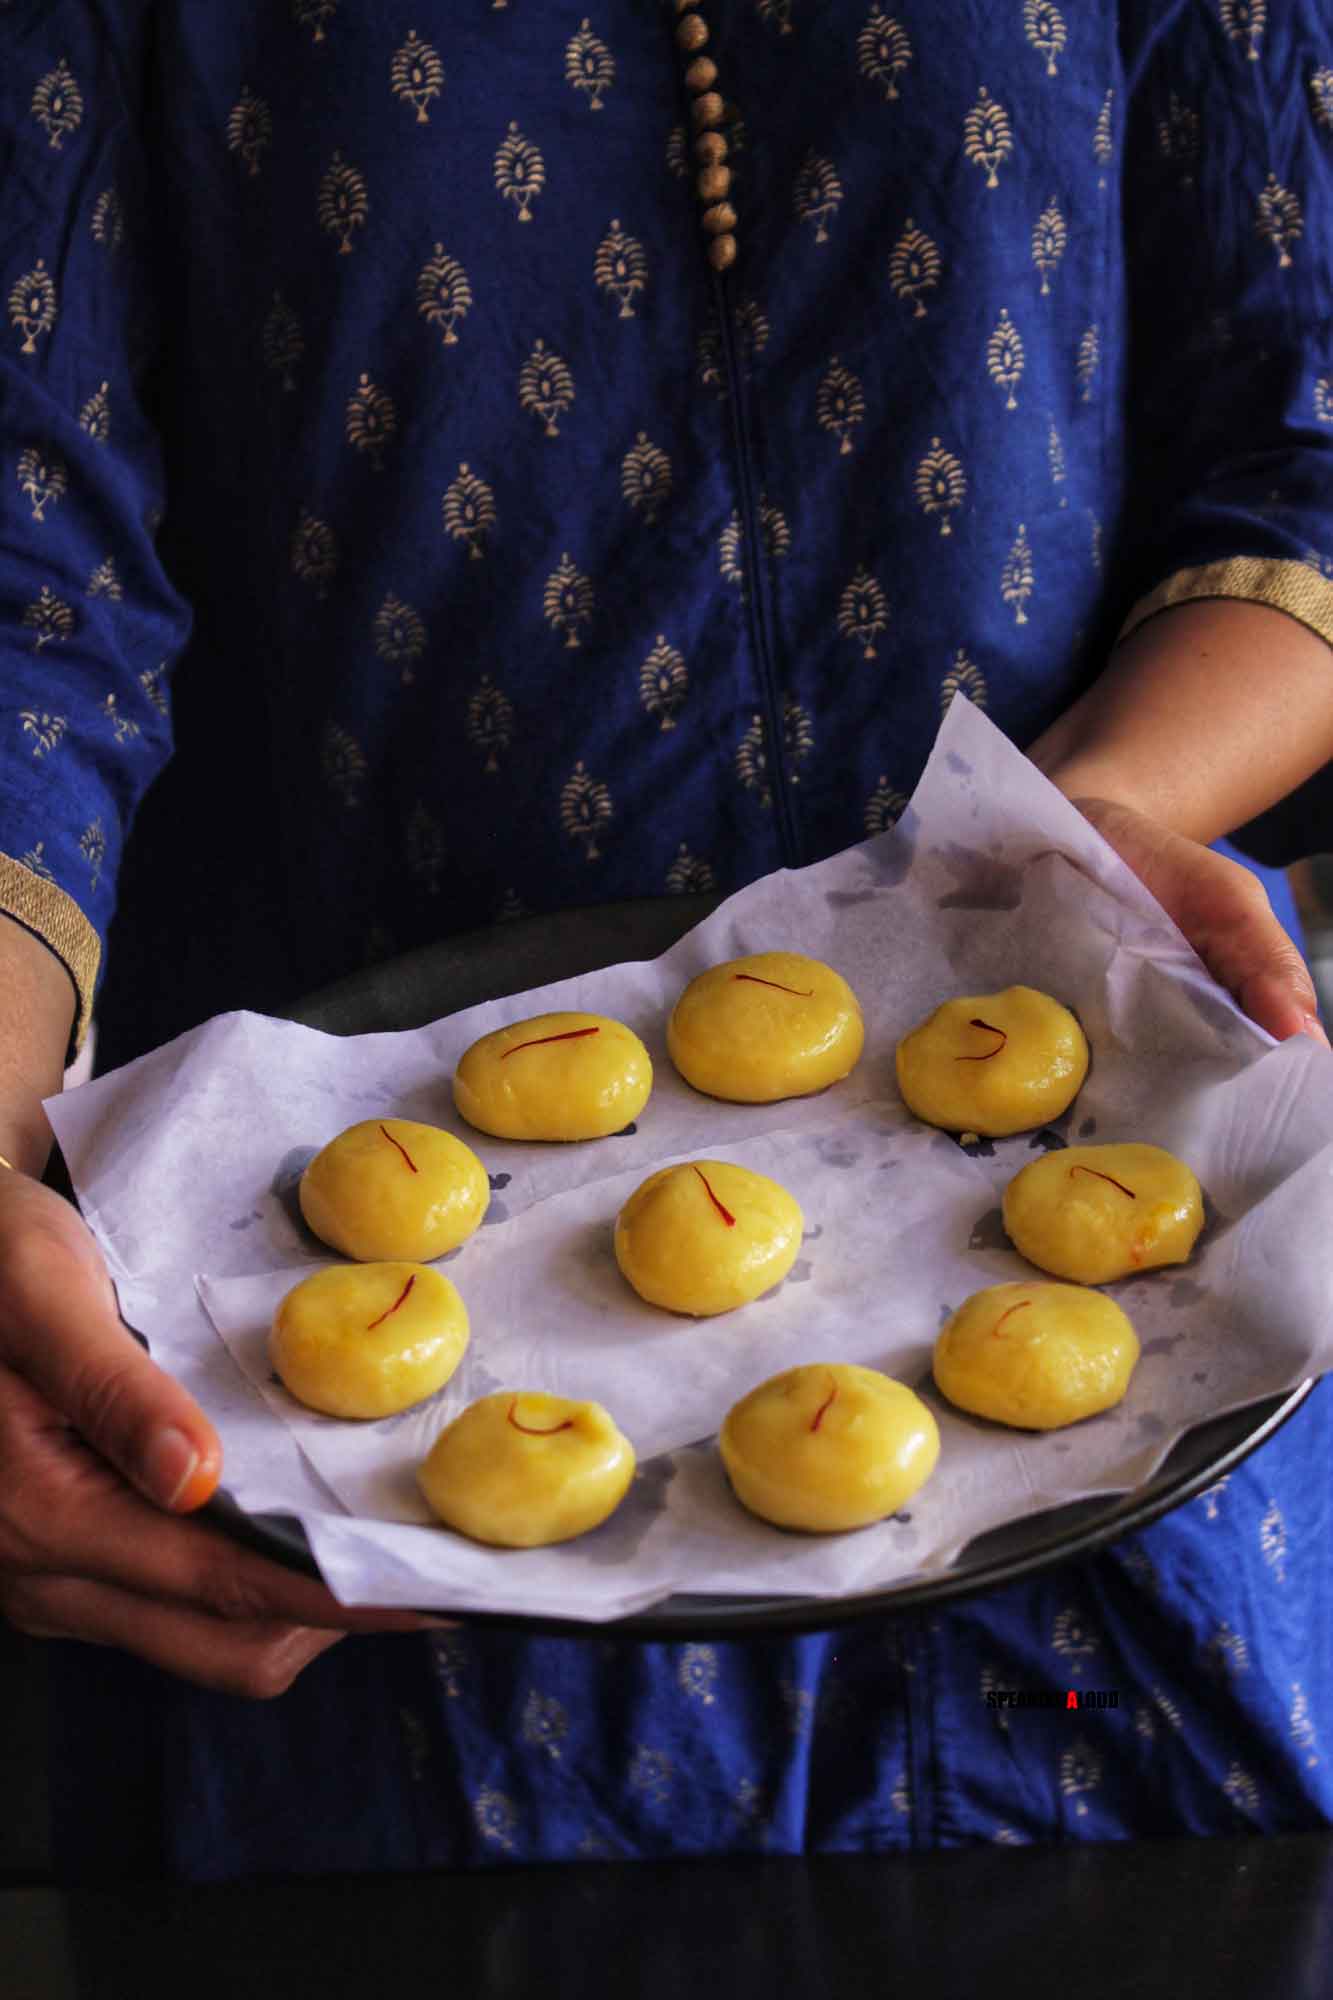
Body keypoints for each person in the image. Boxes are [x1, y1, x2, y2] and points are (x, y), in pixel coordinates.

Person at [2, 0, 1332, 1877]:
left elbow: (1306, 435)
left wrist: (1079, 823)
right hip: (343, 1512)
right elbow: (26, 575)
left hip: (1128, 1404)